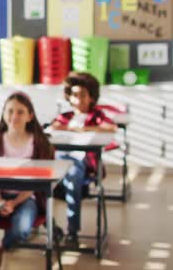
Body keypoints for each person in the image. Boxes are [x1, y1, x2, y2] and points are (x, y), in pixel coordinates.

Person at [0, 92, 54, 269]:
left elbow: (40, 182)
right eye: (10, 111)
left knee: (22, 230)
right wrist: (0, 200)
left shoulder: (40, 143)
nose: (14, 116)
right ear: (4, 114)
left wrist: (14, 202)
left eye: (20, 112)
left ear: (30, 116)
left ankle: (3, 246)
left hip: (27, 198)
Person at [50, 71, 117, 247]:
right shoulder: (65, 116)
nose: (78, 99)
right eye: (74, 95)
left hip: (83, 164)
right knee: (42, 179)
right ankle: (51, 226)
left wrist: (83, 130)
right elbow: (53, 127)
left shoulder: (96, 115)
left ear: (91, 97)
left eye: (83, 95)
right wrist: (68, 128)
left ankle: (72, 232)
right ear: (69, 97)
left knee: (72, 175)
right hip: (60, 159)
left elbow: (110, 127)